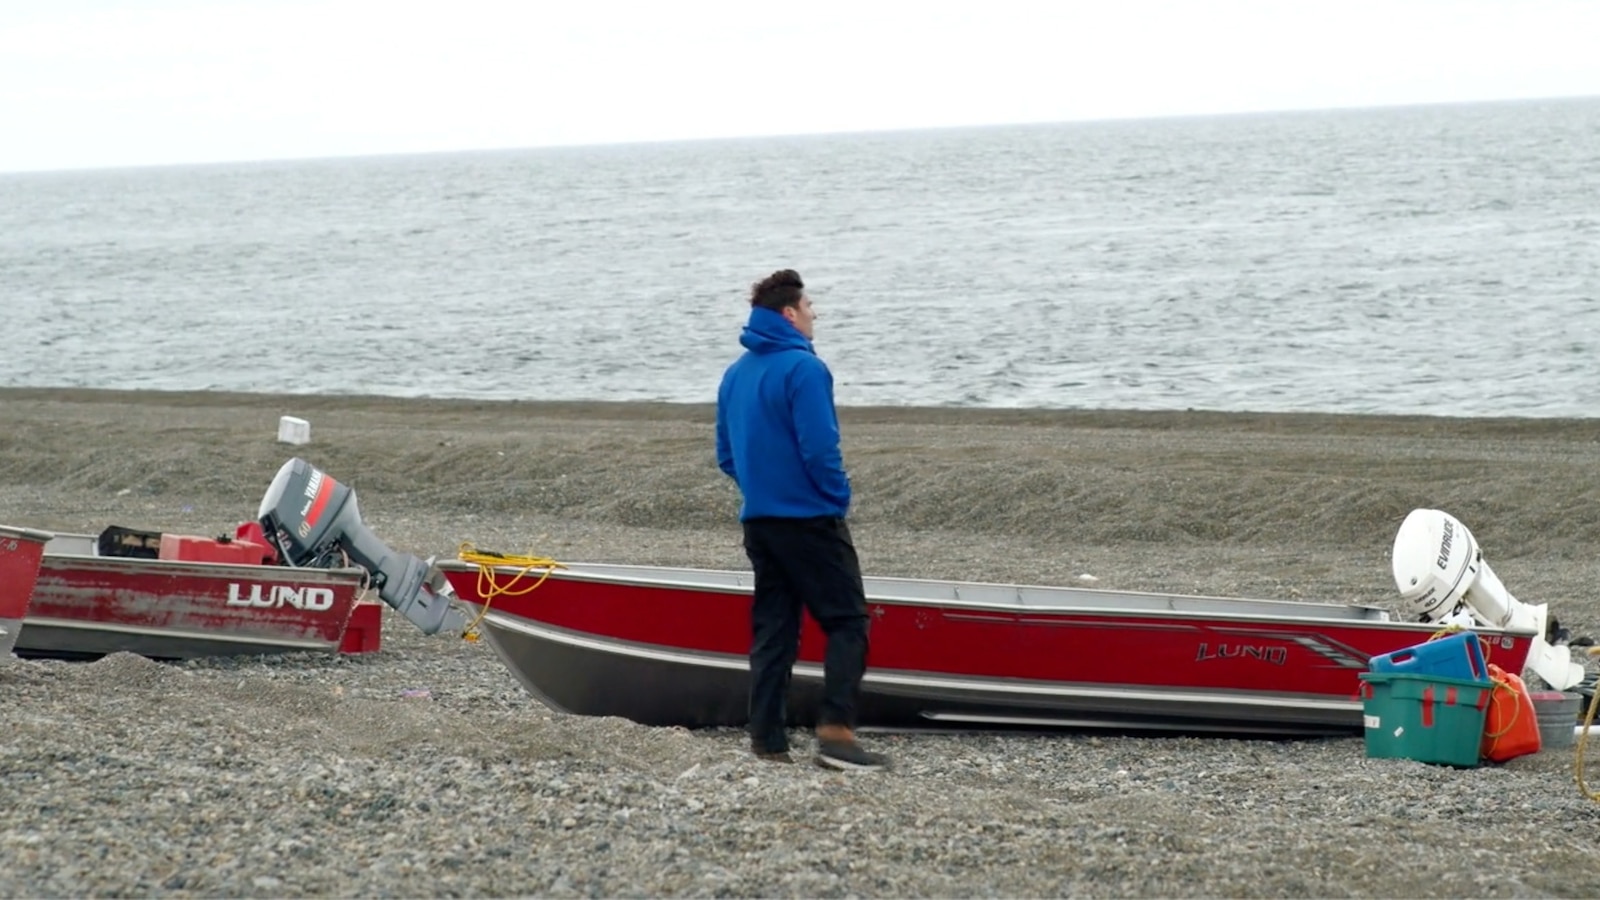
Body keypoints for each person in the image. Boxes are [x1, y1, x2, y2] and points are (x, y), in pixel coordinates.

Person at [715, 269, 889, 771]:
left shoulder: (736, 373)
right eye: (810, 306)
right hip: (809, 517)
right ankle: (836, 734)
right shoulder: (804, 369)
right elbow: (820, 447)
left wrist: (761, 488)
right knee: (848, 621)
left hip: (761, 521)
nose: (815, 314)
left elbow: (727, 455)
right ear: (789, 313)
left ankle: (767, 737)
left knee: (775, 628)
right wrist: (836, 497)